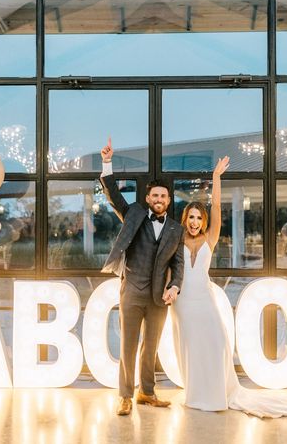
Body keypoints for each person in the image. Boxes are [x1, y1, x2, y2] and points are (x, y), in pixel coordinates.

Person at [171, 156, 287, 418]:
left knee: (217, 344)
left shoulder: (210, 238)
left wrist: (216, 178)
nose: (194, 222)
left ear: (203, 221)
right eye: (190, 217)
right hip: (182, 304)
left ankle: (217, 394)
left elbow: (215, 205)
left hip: (204, 300)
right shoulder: (175, 240)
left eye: (198, 218)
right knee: (191, 348)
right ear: (184, 219)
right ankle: (196, 395)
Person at [99, 138, 185, 416]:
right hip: (132, 291)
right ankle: (124, 395)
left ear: (168, 201)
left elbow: (179, 264)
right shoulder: (134, 213)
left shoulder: (175, 229)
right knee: (127, 345)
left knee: (151, 348)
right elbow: (113, 195)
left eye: (163, 196)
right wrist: (107, 163)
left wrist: (175, 286)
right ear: (148, 199)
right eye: (155, 196)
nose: (159, 200)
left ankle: (146, 392)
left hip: (159, 296)